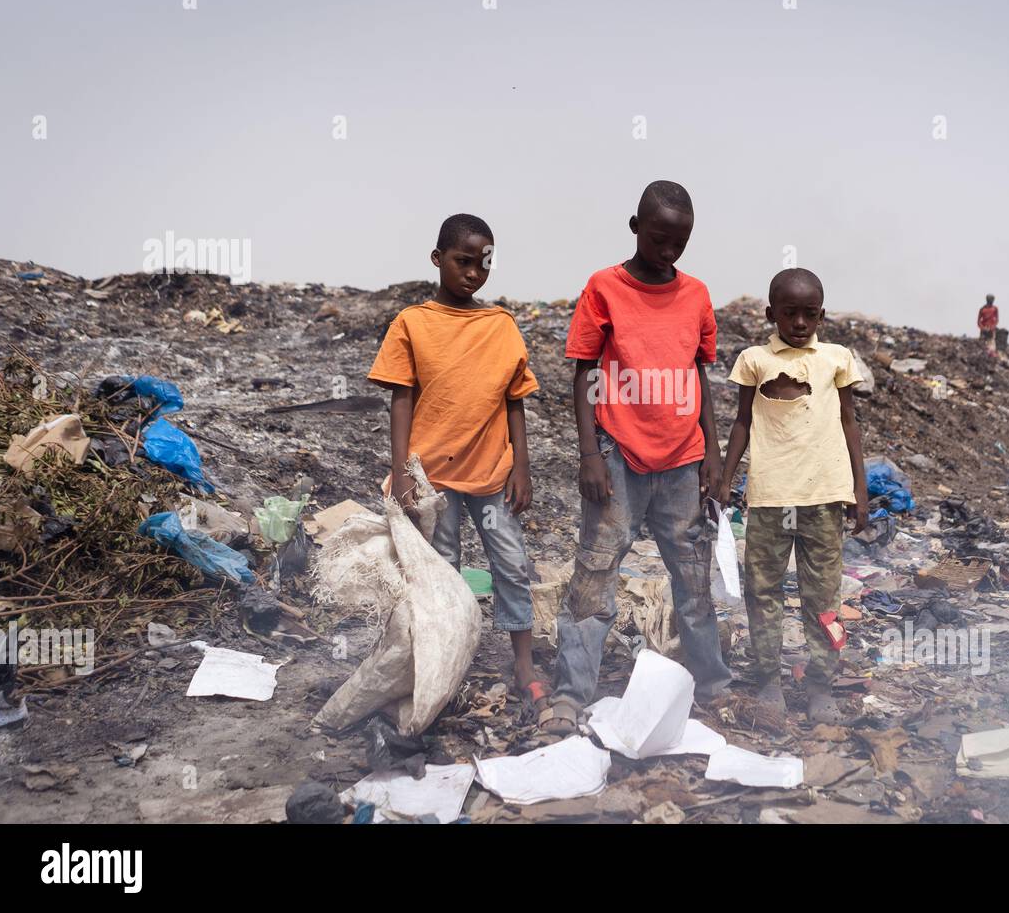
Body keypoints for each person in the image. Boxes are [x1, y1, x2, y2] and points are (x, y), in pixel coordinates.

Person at [537, 180, 731, 737]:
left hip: (683, 459)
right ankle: (572, 695)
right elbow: (584, 370)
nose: (669, 249)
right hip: (618, 455)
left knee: (693, 582)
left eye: (681, 240)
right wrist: (588, 453)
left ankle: (713, 683)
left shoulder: (695, 294)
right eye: (659, 236)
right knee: (594, 578)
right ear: (635, 227)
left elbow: (699, 373)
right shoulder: (604, 287)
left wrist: (711, 455)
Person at [366, 213, 546, 717]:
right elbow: (401, 400)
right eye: (462, 262)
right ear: (437, 259)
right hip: (435, 481)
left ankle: (524, 665)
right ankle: (441, 668)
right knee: (441, 578)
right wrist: (401, 470)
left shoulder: (500, 326)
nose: (473, 273)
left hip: (491, 476)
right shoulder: (413, 323)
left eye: (483, 264)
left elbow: (515, 400)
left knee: (511, 566)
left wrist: (522, 466)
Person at [717, 268, 869, 724]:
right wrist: (726, 479)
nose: (800, 323)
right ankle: (768, 680)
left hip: (824, 497)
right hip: (769, 499)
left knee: (823, 596)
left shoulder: (837, 358)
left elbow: (849, 422)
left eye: (809, 314)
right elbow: (742, 421)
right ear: (771, 313)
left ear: (822, 314)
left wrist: (858, 489)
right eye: (789, 313)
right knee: (763, 593)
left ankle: (821, 684)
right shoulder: (753, 359)